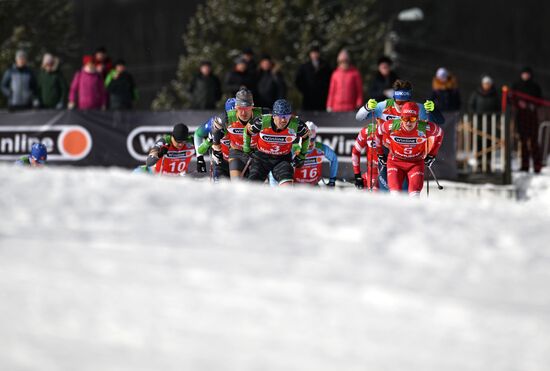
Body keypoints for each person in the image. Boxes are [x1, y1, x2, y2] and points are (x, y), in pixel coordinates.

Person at [354, 79, 444, 191]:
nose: (401, 106)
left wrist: (434, 110)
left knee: (407, 189)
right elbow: (358, 117)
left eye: (404, 103)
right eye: (398, 102)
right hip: (387, 150)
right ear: (394, 98)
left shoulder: (416, 108)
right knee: (387, 188)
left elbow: (440, 122)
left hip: (410, 151)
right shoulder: (383, 106)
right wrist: (366, 107)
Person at [376, 102, 444, 197]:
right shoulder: (393, 125)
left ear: (417, 118)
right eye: (405, 118)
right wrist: (380, 153)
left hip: (415, 163)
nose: (408, 122)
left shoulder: (423, 127)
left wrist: (432, 154)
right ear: (400, 117)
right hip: (395, 162)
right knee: (395, 195)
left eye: (412, 119)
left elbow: (440, 133)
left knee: (414, 195)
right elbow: (378, 132)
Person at [243, 99, 310, 186]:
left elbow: (306, 136)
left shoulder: (297, 125)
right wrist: (247, 148)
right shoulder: (262, 122)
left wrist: (302, 155)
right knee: (252, 186)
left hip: (282, 159)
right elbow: (247, 131)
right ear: (273, 115)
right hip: (262, 159)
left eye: (287, 116)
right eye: (280, 116)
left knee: (287, 187)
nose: (283, 120)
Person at [212, 88, 264, 179]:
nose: (243, 113)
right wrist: (216, 148)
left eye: (247, 108)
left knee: (255, 184)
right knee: (236, 183)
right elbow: (216, 130)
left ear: (253, 106)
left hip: (255, 152)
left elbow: (283, 120)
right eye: (240, 108)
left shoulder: (262, 114)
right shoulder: (227, 117)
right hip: (237, 152)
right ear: (236, 107)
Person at [194, 98, 236, 180]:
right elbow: (198, 134)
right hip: (222, 162)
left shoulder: (247, 120)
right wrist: (200, 158)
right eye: (231, 115)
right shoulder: (217, 122)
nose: (235, 120)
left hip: (241, 161)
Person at [511, 67, 543, 173]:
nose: (525, 76)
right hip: (521, 117)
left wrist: (532, 105)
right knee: (523, 142)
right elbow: (511, 99)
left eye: (527, 74)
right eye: (524, 74)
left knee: (534, 142)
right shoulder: (516, 85)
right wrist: (519, 104)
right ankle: (525, 166)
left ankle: (537, 166)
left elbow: (540, 101)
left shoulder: (535, 86)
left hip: (532, 118)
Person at [292, 121, 338, 186]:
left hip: (314, 186)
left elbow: (334, 158)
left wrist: (332, 180)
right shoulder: (294, 148)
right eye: (307, 140)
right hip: (296, 186)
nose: (310, 143)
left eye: (312, 139)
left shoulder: (321, 148)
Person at [295, 45, 332, 111]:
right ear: (310, 54)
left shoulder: (326, 66)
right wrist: (305, 90)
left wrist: (325, 90)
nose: (314, 55)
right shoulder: (304, 67)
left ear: (319, 54)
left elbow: (330, 81)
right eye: (313, 53)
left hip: (322, 98)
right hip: (308, 98)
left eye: (316, 53)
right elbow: (298, 81)